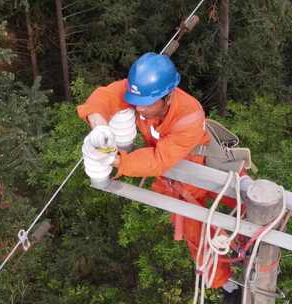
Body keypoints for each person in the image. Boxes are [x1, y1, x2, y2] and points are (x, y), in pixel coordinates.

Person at [76, 52, 232, 289]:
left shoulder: (189, 115)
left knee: (250, 205)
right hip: (176, 177)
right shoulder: (141, 95)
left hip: (203, 166)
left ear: (167, 97)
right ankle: (224, 284)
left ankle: (257, 252)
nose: (140, 109)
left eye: (147, 104)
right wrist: (99, 129)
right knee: (197, 234)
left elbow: (159, 159)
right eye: (136, 102)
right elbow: (104, 97)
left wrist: (115, 160)